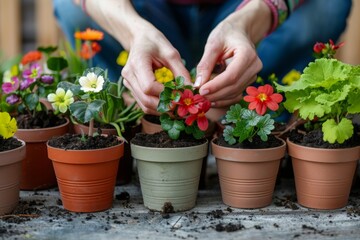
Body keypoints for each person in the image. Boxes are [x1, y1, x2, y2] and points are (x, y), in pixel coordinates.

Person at [53, 0, 352, 117]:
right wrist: (133, 32)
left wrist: (247, 23)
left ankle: (257, 101)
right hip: (148, 10)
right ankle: (129, 112)